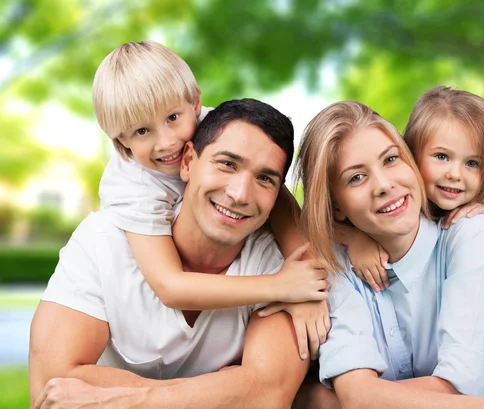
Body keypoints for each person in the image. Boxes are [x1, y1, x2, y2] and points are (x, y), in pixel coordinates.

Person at [290, 101, 484, 409]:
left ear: (409, 161)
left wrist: (345, 399)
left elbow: (463, 388)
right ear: (335, 206)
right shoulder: (333, 267)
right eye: (356, 178)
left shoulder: (472, 229)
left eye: (390, 159)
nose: (384, 185)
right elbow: (359, 398)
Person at [30, 99, 312, 409]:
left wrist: (115, 400)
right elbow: (52, 387)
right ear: (188, 162)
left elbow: (267, 394)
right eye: (227, 164)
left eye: (265, 179)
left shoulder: (284, 271)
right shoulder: (103, 241)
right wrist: (221, 392)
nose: (239, 194)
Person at [92, 40, 336, 358]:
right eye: (141, 131)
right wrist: (281, 286)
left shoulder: (214, 127)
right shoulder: (130, 186)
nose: (167, 142)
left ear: (195, 103)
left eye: (172, 118)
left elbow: (277, 198)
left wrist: (309, 282)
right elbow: (170, 286)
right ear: (120, 139)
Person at [404, 86, 484, 285]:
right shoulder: (399, 190)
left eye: (472, 163)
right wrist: (358, 241)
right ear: (412, 153)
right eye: (442, 156)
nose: (455, 174)